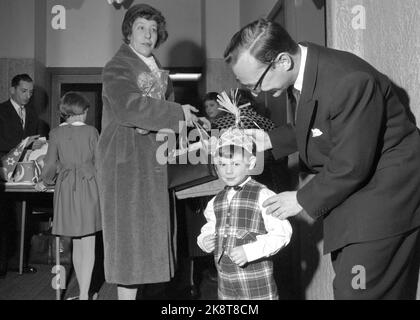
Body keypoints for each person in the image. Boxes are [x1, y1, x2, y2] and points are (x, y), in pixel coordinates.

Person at [224, 18, 420, 299]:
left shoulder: (349, 81)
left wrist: (300, 199)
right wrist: (268, 140)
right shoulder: (307, 66)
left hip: (383, 200)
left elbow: (351, 164)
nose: (257, 92)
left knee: (358, 293)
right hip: (357, 196)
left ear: (282, 61)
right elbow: (324, 123)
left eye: (257, 83)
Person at [97, 3, 209, 300]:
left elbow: (165, 118)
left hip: (153, 165)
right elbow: (127, 107)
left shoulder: (158, 70)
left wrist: (185, 128)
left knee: (148, 248)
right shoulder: (117, 66)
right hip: (127, 165)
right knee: (130, 248)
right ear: (128, 33)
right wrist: (176, 114)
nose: (148, 35)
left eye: (153, 29)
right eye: (141, 28)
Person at [197, 129, 292, 300]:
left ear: (251, 162)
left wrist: (250, 251)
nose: (228, 171)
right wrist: (205, 240)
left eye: (235, 164)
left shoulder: (263, 195)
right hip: (225, 285)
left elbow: (282, 233)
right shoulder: (215, 201)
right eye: (222, 165)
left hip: (256, 285)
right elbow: (209, 227)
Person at [35, 92, 101, 300]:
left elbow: (50, 164)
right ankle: (83, 295)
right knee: (88, 243)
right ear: (83, 111)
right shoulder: (92, 131)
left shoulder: (55, 133)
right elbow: (100, 163)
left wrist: (44, 182)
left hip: (65, 191)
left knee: (74, 243)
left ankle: (81, 293)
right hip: (89, 188)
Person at [0, 74, 42, 278]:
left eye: (31, 92)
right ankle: (2, 266)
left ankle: (20, 263)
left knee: (24, 219)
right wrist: (23, 145)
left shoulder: (33, 115)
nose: (28, 95)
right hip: (3, 174)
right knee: (4, 221)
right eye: (24, 91)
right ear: (12, 90)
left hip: (24, 175)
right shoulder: (1, 111)